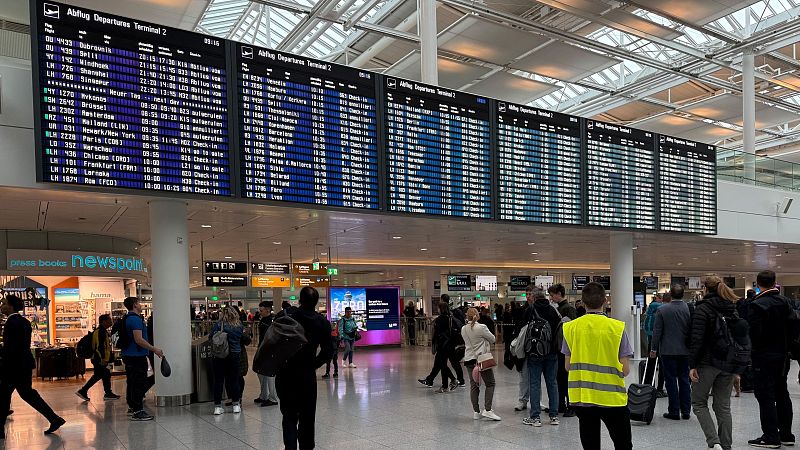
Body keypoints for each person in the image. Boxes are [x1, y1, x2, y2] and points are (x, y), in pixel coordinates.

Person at [563, 282, 633, 450]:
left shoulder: (571, 328)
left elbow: (568, 366)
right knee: (623, 444)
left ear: (582, 302)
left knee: (590, 444)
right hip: (612, 398)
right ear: (605, 301)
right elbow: (625, 370)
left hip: (583, 397)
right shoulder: (617, 328)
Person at [0, 295, 65, 439]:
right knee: (26, 394)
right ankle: (54, 418)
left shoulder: (11, 322)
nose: (1, 306)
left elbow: (11, 347)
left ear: (10, 306)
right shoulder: (24, 321)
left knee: (5, 395)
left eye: (4, 303)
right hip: (23, 364)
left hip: (13, 366)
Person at [276, 286, 332, 450]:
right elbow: (328, 351)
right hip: (306, 375)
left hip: (286, 372)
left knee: (289, 415)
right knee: (307, 415)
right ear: (316, 302)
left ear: (300, 300)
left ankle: (290, 446)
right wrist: (313, 364)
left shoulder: (286, 316)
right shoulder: (322, 322)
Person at [688, 277, 740, 450]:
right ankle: (726, 445)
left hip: (707, 362)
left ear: (705, 289)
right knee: (723, 407)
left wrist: (692, 365)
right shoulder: (732, 308)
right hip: (728, 362)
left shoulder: (702, 309)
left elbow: (697, 339)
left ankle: (714, 442)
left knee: (698, 403)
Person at [746, 270, 794, 448]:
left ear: (758, 283)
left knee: (765, 395)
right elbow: (793, 328)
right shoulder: (785, 302)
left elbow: (754, 334)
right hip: (783, 355)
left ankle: (771, 436)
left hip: (764, 356)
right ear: (775, 282)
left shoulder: (757, 305)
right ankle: (786, 434)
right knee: (782, 393)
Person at [522, 287, 562, 427]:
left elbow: (522, 330)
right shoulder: (553, 310)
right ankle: (554, 416)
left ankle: (535, 417)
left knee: (534, 383)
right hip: (551, 352)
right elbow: (559, 330)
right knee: (552, 383)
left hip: (534, 353)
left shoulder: (530, 310)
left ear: (534, 297)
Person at [651, 283, 691, 421]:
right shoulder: (689, 308)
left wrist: (653, 349)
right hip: (685, 350)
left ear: (670, 294)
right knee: (684, 380)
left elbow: (657, 331)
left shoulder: (662, 310)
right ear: (683, 294)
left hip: (668, 350)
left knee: (671, 380)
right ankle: (686, 410)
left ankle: (674, 411)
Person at [121, 296, 163, 421]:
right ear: (134, 305)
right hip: (136, 356)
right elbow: (139, 340)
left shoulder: (127, 318)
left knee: (132, 382)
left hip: (129, 355)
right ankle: (138, 411)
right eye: (139, 303)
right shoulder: (135, 320)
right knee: (138, 383)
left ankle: (132, 407)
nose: (140, 305)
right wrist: (154, 349)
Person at [461, 307, 500, 421]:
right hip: (481, 360)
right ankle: (488, 409)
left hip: (469, 360)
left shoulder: (463, 329)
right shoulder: (482, 327)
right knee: (490, 383)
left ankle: (476, 412)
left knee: (474, 386)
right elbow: (493, 339)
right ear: (477, 316)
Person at [76, 314, 120, 402]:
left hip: (98, 358)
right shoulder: (100, 332)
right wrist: (102, 358)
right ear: (103, 321)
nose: (111, 321)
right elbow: (99, 347)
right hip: (98, 359)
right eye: (109, 320)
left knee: (103, 374)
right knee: (102, 374)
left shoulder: (102, 331)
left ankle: (106, 393)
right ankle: (84, 391)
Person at [210, 306, 244, 415]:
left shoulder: (219, 324)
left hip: (220, 355)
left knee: (219, 381)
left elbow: (211, 337)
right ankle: (236, 405)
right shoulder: (239, 325)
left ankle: (217, 407)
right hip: (234, 355)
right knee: (234, 380)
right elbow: (241, 338)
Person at [418, 299, 458, 392]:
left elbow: (437, 333)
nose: (437, 310)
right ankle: (430, 380)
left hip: (443, 346)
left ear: (441, 309)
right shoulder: (450, 317)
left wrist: (434, 344)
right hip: (450, 345)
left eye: (438, 308)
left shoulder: (440, 319)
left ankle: (447, 384)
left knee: (442, 365)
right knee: (438, 364)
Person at [549, 284, 576, 417]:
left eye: (552, 295)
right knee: (560, 378)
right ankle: (560, 404)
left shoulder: (568, 309)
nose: (551, 298)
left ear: (559, 294)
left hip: (566, 349)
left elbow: (571, 329)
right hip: (560, 348)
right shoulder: (560, 308)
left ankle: (571, 405)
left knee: (565, 378)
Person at [513, 291, 534, 412]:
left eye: (530, 294)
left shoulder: (539, 309)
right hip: (524, 346)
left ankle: (536, 400)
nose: (528, 296)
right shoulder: (523, 310)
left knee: (536, 377)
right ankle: (522, 400)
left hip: (536, 348)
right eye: (527, 294)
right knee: (523, 376)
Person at [255, 302, 278, 407]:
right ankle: (264, 395)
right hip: (263, 349)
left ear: (267, 310)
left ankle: (273, 398)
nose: (260, 312)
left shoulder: (271, 321)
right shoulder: (263, 320)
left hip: (269, 350)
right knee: (261, 373)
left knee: (269, 374)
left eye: (261, 310)